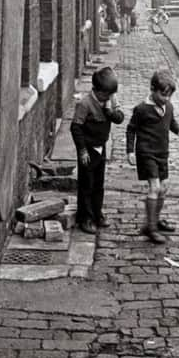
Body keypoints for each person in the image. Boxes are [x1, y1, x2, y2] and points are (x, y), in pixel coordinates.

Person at [126, 70, 179, 244]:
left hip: (162, 153)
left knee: (164, 187)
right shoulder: (142, 109)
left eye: (169, 95)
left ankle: (155, 219)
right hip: (146, 153)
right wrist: (130, 150)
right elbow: (131, 129)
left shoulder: (168, 106)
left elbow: (171, 122)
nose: (166, 99)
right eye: (163, 94)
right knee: (154, 187)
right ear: (152, 89)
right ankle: (151, 229)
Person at [71, 67, 124, 234]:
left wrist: (110, 111)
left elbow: (120, 118)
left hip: (101, 148)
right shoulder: (85, 104)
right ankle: (85, 217)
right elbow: (76, 128)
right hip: (88, 150)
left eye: (111, 95)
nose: (109, 98)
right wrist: (82, 150)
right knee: (86, 184)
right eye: (106, 95)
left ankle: (97, 213)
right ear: (97, 90)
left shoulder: (110, 100)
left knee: (99, 184)